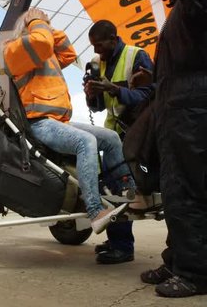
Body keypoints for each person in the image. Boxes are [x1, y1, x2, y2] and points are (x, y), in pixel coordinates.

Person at [136, 0, 207, 298]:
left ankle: (196, 274)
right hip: (185, 101)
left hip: (192, 105)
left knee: (185, 190)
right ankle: (179, 260)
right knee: (178, 189)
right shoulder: (191, 10)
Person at [2, 7, 126, 234]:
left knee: (111, 138)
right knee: (85, 142)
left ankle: (124, 191)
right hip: (39, 122)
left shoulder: (43, 51)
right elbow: (41, 43)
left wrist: (46, 25)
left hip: (58, 122)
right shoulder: (13, 50)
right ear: (28, 26)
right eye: (39, 23)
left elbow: (68, 53)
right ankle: (95, 210)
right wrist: (37, 21)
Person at [84, 20, 155, 265]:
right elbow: (101, 106)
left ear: (114, 39)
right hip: (113, 134)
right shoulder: (99, 63)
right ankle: (117, 239)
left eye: (100, 45)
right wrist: (92, 96)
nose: (96, 51)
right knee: (110, 187)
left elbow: (149, 94)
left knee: (120, 189)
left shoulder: (138, 56)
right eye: (93, 46)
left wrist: (115, 89)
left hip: (136, 134)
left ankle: (123, 247)